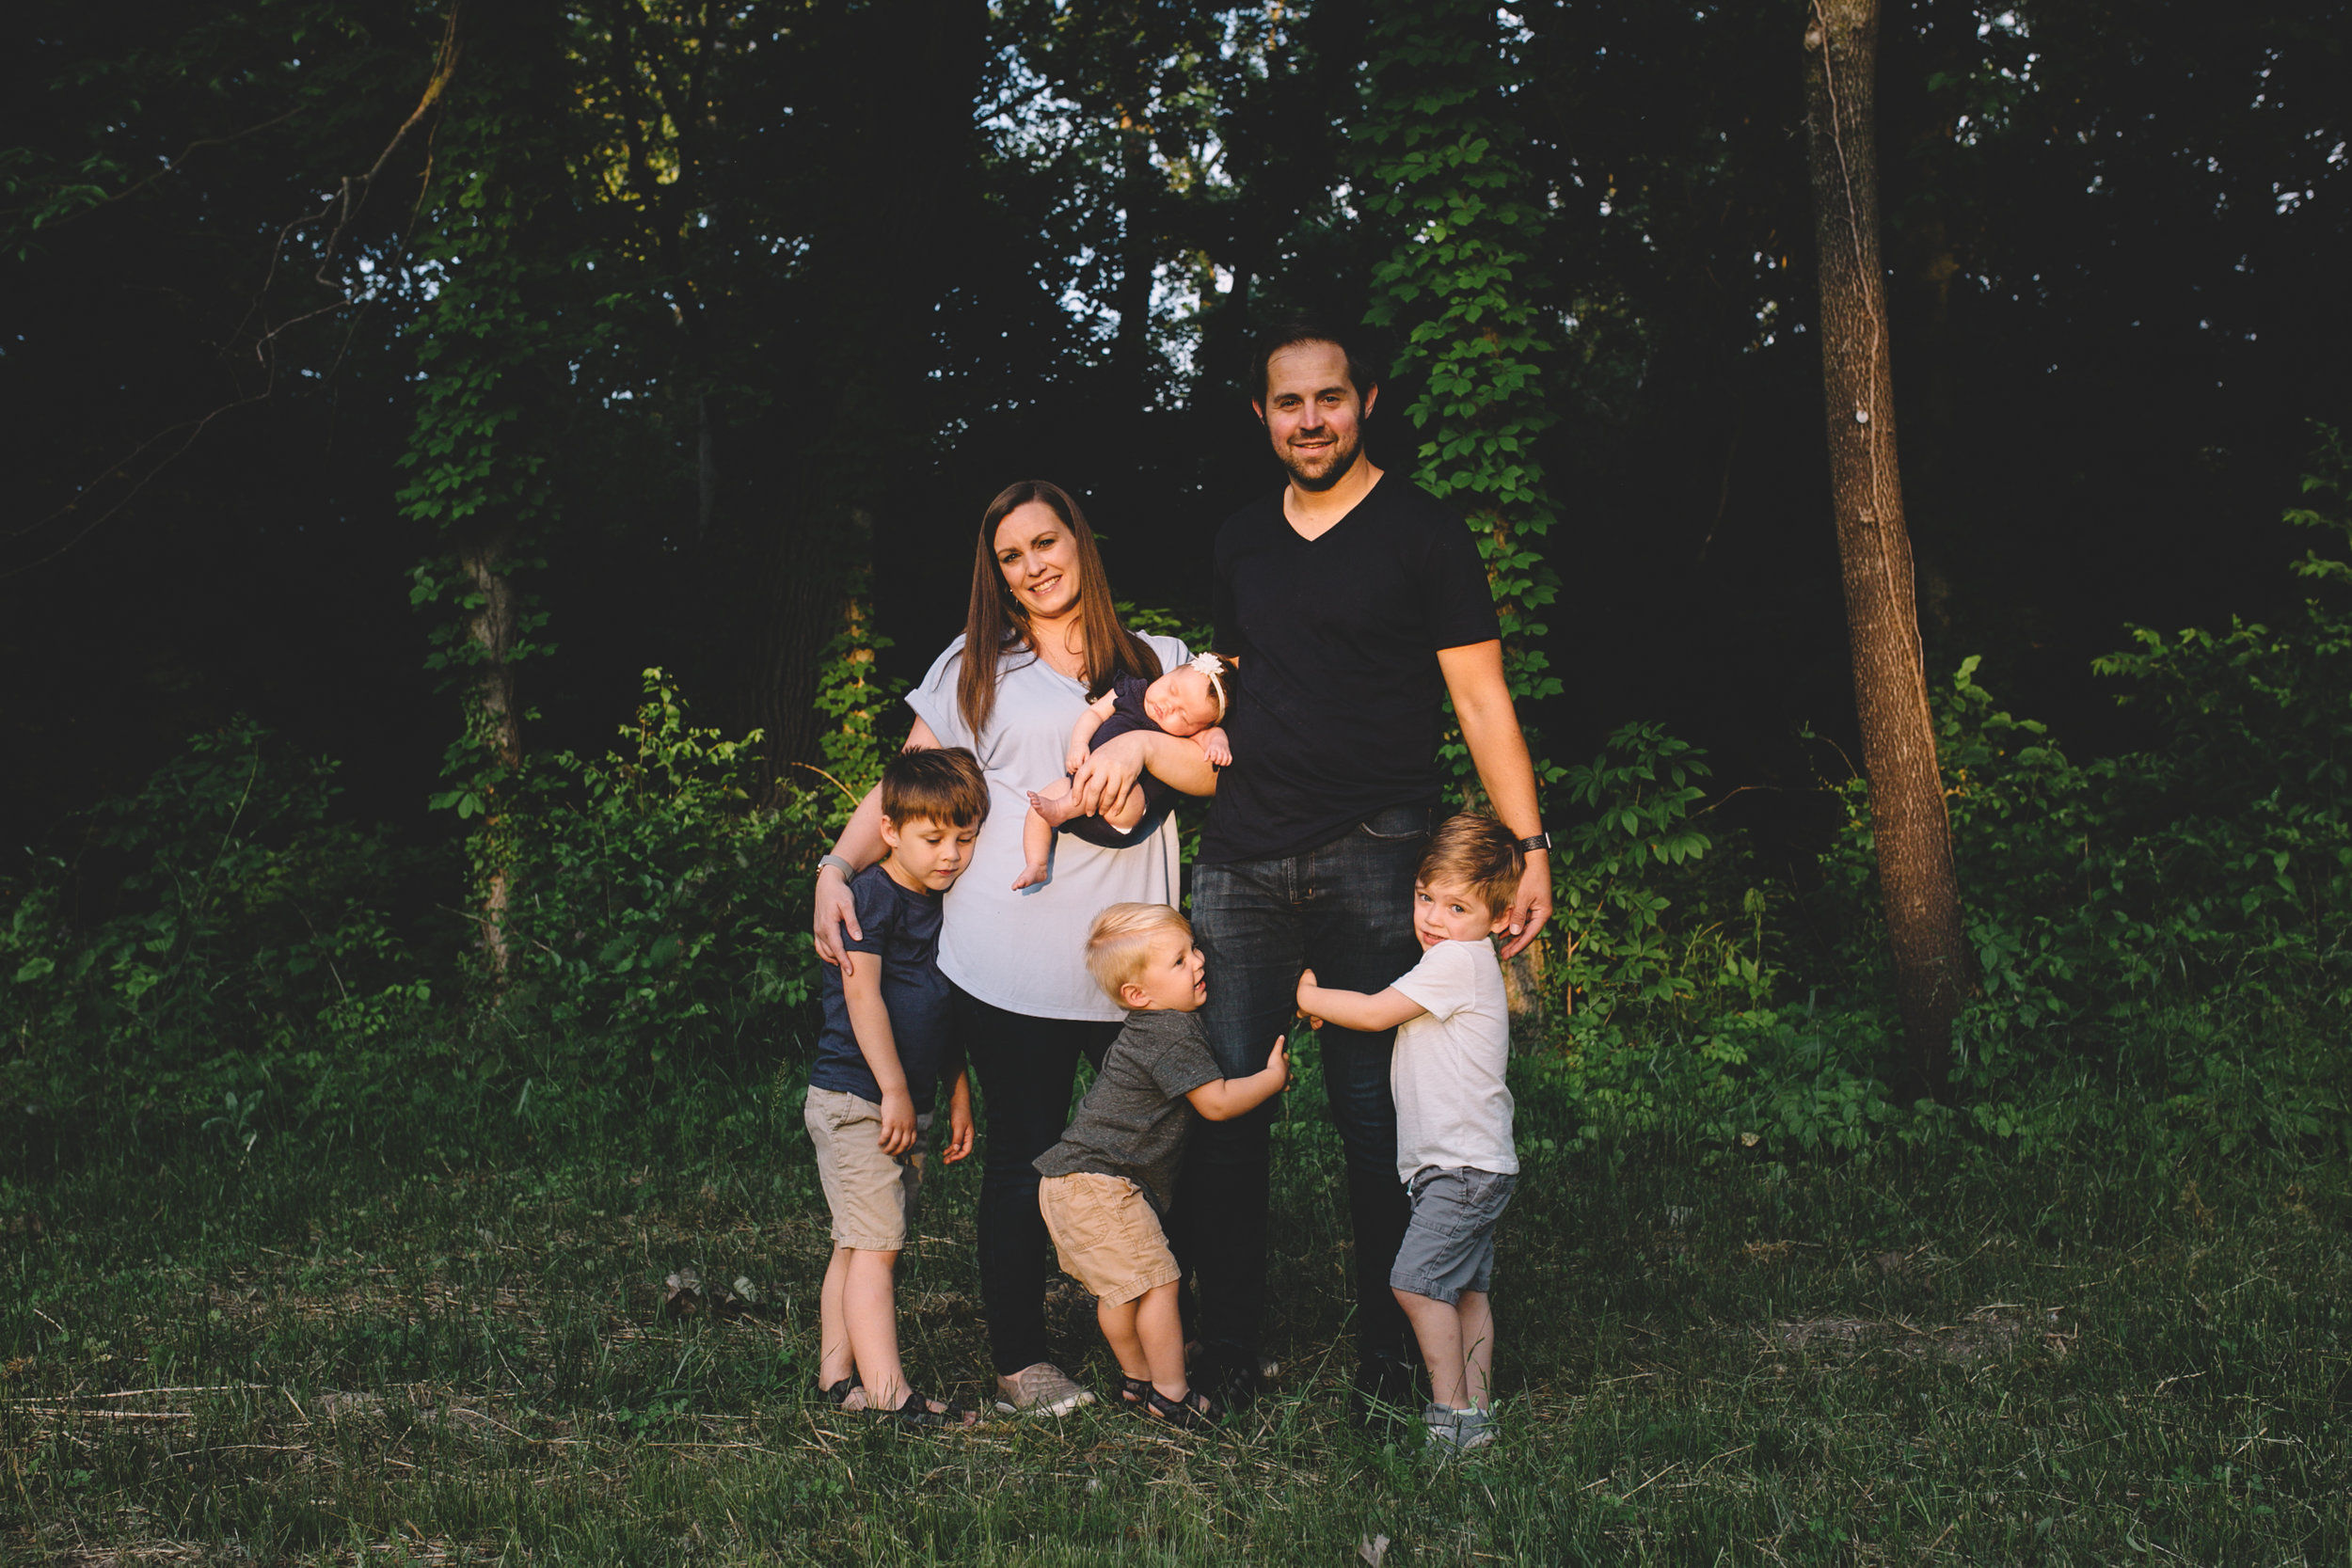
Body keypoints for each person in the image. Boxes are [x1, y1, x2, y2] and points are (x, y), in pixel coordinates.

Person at [1070, 321, 1553, 1415]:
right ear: (1262, 416)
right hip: (1241, 858)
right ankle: (1228, 1358)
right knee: (1228, 1106)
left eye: (1329, 398)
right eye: (1289, 404)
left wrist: (1528, 846)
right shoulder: (1240, 537)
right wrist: (1140, 732)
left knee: (1376, 1113)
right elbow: (1225, 686)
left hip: (1383, 853)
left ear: (1364, 399)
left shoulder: (1423, 533)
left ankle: (1393, 1363)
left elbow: (1480, 700)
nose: (1310, 420)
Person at [811, 480, 1218, 1418]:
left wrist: (1149, 750)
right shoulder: (974, 668)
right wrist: (836, 864)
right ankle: (1021, 1358)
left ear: (1080, 541)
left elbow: (1211, 765)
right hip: (1009, 961)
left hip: (1135, 968)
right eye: (1011, 554)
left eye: (1047, 542)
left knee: (1159, 1148)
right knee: (1025, 1157)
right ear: (994, 571)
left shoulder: (1159, 659)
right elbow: (903, 787)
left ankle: (1176, 1339)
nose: (1034, 565)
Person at [1296, 815, 1522, 1452]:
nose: (1433, 917)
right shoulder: (1461, 959)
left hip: (1459, 1167)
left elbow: (1371, 1014)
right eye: (1426, 896)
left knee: (1415, 1282)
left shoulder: (1453, 960)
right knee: (1467, 1290)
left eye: (1457, 905)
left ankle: (1448, 1412)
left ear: (1498, 917)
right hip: (1477, 1163)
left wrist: (1307, 995)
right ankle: (1479, 1413)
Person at [1034, 903, 1293, 1426]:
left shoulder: (1146, 1029)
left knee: (1123, 1291)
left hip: (1067, 1183)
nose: (1199, 962)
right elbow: (1215, 1102)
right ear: (1138, 995)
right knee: (1159, 1282)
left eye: (1193, 949)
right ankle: (1172, 1396)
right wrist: (1272, 1078)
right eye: (1179, 961)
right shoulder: (1171, 1030)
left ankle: (1137, 1379)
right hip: (1100, 1184)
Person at [804, 748, 987, 1428]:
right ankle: (888, 1393)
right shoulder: (873, 895)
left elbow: (940, 1002)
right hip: (859, 1099)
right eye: (933, 839)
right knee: (878, 1246)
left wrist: (956, 1087)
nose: (951, 855)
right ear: (890, 830)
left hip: (894, 1100)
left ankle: (835, 1378)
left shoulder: (940, 899)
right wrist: (894, 1090)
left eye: (964, 840)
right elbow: (865, 995)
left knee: (856, 1241)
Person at [1014, 651, 1236, 890]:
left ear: (1198, 725)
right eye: (1172, 690)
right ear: (1168, 673)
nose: (1169, 706)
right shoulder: (1131, 690)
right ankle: (1036, 864)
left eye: (1184, 715)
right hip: (1077, 788)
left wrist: (1217, 743)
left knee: (1117, 785)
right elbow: (1094, 713)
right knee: (1039, 805)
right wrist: (1078, 744)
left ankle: (1061, 808)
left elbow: (1212, 735)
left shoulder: (1193, 733)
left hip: (1122, 809)